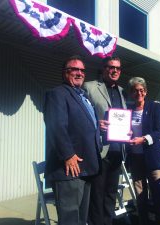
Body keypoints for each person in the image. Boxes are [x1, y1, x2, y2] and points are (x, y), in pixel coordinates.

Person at [43, 55, 101, 225]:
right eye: (74, 69)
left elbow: (84, 126)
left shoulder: (83, 97)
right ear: (64, 73)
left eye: (82, 70)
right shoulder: (58, 93)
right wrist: (68, 155)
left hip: (87, 167)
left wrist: (99, 125)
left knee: (81, 218)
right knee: (69, 219)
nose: (79, 73)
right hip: (69, 170)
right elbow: (56, 126)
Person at [83, 56, 127, 225]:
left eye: (118, 68)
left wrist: (127, 131)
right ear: (104, 69)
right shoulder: (90, 87)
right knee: (97, 196)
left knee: (110, 194)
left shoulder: (123, 91)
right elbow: (82, 116)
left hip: (117, 151)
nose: (114, 70)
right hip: (99, 151)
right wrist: (95, 124)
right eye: (111, 67)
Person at [127, 77, 160, 225]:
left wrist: (143, 139)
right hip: (135, 158)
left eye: (141, 90)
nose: (139, 93)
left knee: (157, 194)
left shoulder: (155, 107)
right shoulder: (128, 110)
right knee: (140, 195)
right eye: (135, 90)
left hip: (153, 158)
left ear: (146, 92)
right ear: (131, 93)